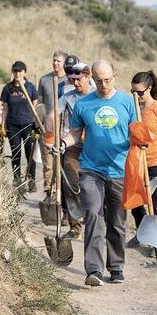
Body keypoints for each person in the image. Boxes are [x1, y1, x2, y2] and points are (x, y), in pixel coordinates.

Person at [60, 59, 137, 287]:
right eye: (99, 80)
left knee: (117, 220)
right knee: (93, 213)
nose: (103, 84)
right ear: (92, 78)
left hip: (120, 169)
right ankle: (93, 269)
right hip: (91, 169)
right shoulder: (84, 104)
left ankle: (116, 266)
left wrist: (140, 139)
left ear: (115, 76)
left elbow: (136, 133)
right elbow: (75, 132)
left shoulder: (127, 102)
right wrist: (63, 144)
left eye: (107, 79)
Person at [126, 70, 157, 248]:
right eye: (133, 92)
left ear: (149, 88)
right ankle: (142, 234)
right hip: (137, 163)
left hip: (156, 165)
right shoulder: (133, 109)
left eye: (140, 92)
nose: (136, 96)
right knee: (136, 203)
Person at [57, 61, 95, 240]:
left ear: (87, 76)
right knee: (70, 183)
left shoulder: (98, 96)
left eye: (79, 79)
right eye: (72, 79)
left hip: (96, 149)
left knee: (92, 187)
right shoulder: (67, 97)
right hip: (74, 145)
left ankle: (97, 223)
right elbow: (55, 116)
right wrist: (56, 140)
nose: (75, 83)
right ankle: (74, 226)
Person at [0, 61, 39, 190]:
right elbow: (5, 108)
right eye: (15, 71)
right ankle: (17, 181)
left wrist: (35, 124)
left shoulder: (30, 87)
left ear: (24, 72)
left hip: (28, 124)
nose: (17, 73)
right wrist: (3, 125)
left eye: (20, 71)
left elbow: (35, 106)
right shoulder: (7, 88)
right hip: (12, 126)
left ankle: (31, 181)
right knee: (16, 154)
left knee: (29, 153)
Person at [38, 50, 70, 199]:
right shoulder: (45, 80)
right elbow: (41, 104)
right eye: (54, 60)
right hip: (48, 126)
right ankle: (48, 191)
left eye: (58, 61)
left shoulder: (70, 81)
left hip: (64, 126)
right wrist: (38, 123)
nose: (55, 63)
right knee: (48, 162)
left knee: (61, 162)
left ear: (64, 63)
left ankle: (59, 193)